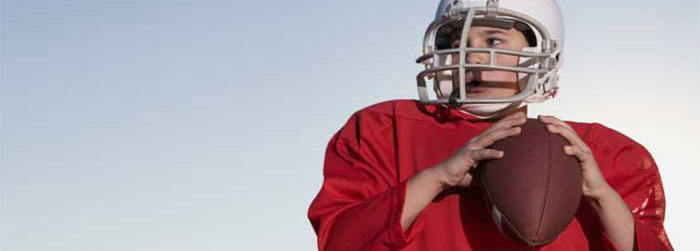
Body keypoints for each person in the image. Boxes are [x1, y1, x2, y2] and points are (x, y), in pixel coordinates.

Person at [307, 0, 674, 250]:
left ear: (539, 56)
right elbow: (340, 241)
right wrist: (436, 177)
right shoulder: (383, 130)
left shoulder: (603, 153)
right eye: (453, 41)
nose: (471, 54)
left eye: (493, 39)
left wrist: (601, 196)